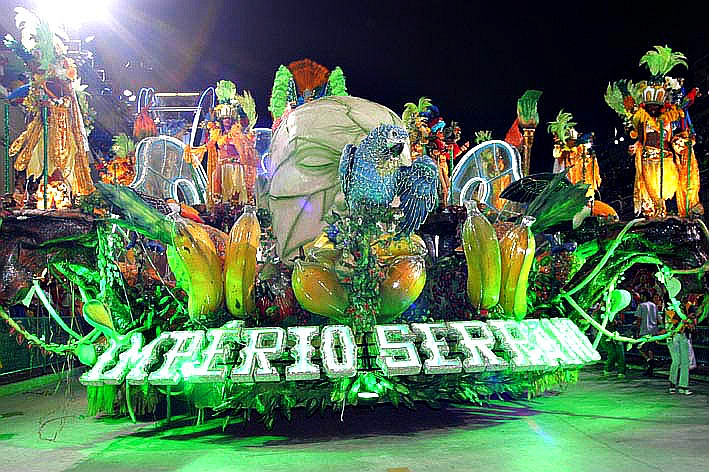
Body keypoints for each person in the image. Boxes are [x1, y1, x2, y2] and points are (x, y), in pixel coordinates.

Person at [666, 301, 696, 395]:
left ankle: (683, 386)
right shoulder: (669, 307)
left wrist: (691, 322)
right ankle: (672, 383)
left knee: (685, 362)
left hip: (684, 336)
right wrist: (686, 321)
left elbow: (693, 319)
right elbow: (673, 321)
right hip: (673, 335)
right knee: (676, 360)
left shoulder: (689, 305)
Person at [636, 292, 661, 376]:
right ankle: (650, 368)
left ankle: (649, 361)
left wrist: (637, 329)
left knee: (641, 348)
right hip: (653, 329)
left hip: (644, 330)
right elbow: (658, 318)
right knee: (650, 349)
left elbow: (639, 318)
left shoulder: (641, 305)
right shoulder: (654, 305)